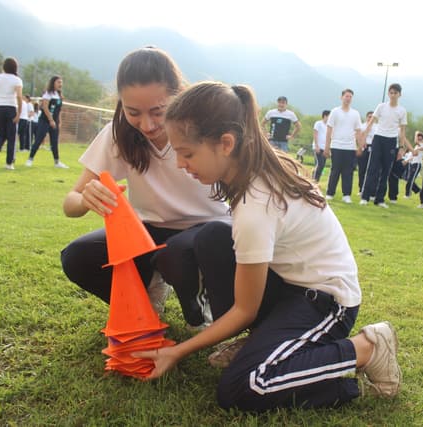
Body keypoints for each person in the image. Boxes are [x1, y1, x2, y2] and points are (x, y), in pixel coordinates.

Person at [133, 81, 402, 412]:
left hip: (328, 302)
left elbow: (243, 309)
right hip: (289, 286)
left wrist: (177, 350)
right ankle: (265, 343)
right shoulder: (253, 165)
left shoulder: (257, 203)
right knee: (211, 238)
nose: (180, 164)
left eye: (187, 153)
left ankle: (364, 349)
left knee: (244, 388)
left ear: (226, 143)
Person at [60, 47, 231, 330]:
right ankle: (149, 292)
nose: (147, 125)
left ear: (180, 95)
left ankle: (199, 310)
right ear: (121, 103)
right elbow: (70, 201)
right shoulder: (119, 134)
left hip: (208, 231)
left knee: (177, 253)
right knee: (77, 256)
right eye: (133, 112)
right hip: (147, 232)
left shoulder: (204, 129)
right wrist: (85, 199)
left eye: (158, 111)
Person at [360, 83, 413, 208]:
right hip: (378, 139)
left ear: (399, 94)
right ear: (388, 94)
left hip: (391, 141)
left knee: (386, 171)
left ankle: (380, 199)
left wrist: (401, 147)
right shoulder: (381, 106)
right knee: (372, 169)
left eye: (395, 93)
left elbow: (403, 130)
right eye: (391, 92)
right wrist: (363, 138)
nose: (393, 95)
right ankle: (365, 197)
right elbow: (371, 122)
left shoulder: (402, 111)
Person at [324, 89, 362, 203]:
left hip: (350, 147)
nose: (348, 98)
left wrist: (360, 146)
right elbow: (329, 129)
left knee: (348, 172)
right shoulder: (335, 112)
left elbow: (358, 130)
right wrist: (327, 146)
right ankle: (330, 193)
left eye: (350, 96)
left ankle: (346, 195)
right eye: (346, 96)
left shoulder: (355, 113)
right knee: (335, 170)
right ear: (341, 97)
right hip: (336, 145)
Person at [0, 57, 23, 169]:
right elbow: (19, 97)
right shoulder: (17, 80)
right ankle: (9, 163)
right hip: (11, 107)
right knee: (11, 136)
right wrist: (19, 113)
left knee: (2, 133)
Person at [26, 76, 68, 168]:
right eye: (58, 82)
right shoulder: (48, 94)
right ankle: (30, 159)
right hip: (45, 120)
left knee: (54, 142)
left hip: (55, 121)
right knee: (38, 139)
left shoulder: (59, 95)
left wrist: (58, 121)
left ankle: (57, 162)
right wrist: (51, 120)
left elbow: (59, 110)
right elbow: (45, 107)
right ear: (53, 83)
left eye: (61, 82)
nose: (60, 84)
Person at [357, 111, 375, 195]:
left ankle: (371, 191)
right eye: (369, 116)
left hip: (374, 148)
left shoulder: (377, 127)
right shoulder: (362, 126)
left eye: (372, 117)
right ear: (366, 117)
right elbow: (359, 136)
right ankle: (361, 189)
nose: (370, 118)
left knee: (372, 171)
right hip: (364, 148)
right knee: (362, 170)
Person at [404, 131, 423, 198]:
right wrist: (407, 161)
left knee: (410, 180)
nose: (419, 140)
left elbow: (415, 141)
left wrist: (416, 133)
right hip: (412, 164)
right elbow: (412, 155)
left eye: (420, 139)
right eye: (418, 139)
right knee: (408, 179)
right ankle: (419, 190)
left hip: (417, 164)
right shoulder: (416, 146)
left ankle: (408, 195)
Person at [311, 110, 329, 182]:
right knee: (320, 164)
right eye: (329, 116)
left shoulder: (329, 126)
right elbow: (315, 134)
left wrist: (328, 149)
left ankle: (314, 177)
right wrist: (316, 146)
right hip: (318, 147)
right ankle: (315, 181)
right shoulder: (318, 123)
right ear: (325, 116)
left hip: (324, 148)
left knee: (322, 165)